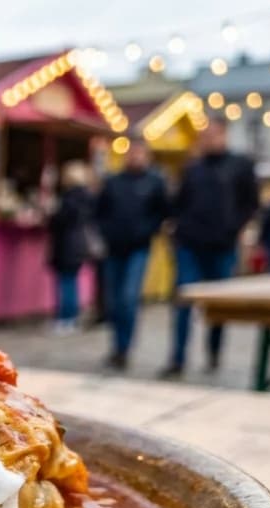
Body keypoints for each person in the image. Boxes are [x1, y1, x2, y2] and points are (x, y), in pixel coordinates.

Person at [163, 120, 258, 377]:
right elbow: (178, 203)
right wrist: (178, 228)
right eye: (205, 135)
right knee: (183, 300)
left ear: (224, 135)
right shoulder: (193, 168)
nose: (208, 139)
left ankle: (214, 352)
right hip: (189, 244)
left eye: (213, 134)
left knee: (218, 305)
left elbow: (250, 203)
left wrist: (233, 228)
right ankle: (178, 358)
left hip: (222, 245)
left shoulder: (240, 165)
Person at [95, 139, 168, 369]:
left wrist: (148, 231)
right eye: (132, 152)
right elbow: (100, 211)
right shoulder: (113, 181)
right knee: (114, 300)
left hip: (138, 248)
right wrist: (106, 232)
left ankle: (124, 348)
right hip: (114, 247)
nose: (135, 156)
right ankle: (117, 347)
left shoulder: (155, 182)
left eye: (139, 153)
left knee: (128, 297)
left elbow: (162, 212)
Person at [47, 160, 95, 333]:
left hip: (66, 245)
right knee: (71, 282)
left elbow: (60, 220)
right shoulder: (87, 196)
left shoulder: (69, 198)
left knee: (66, 283)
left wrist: (51, 214)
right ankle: (71, 317)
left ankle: (66, 318)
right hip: (78, 245)